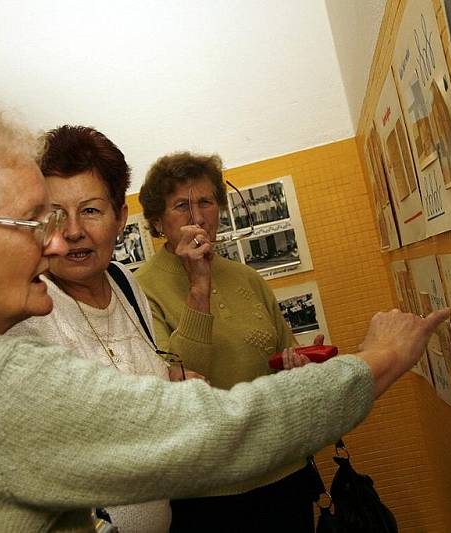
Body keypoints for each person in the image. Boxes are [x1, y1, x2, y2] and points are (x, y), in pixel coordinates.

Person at [0, 93, 448, 532]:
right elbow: (222, 429)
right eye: (31, 221)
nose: (56, 240)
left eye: (82, 214)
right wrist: (380, 359)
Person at [7, 125, 212, 532]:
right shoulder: (27, 310)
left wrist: (169, 383)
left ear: (120, 217)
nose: (72, 231)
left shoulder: (124, 282)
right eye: (54, 214)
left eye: (90, 210)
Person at [134, 152, 319, 531]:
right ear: (157, 221)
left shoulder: (245, 277)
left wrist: (296, 365)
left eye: (206, 202)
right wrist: (198, 286)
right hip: (207, 491)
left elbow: (285, 351)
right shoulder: (140, 289)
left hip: (282, 468)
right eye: (181, 206)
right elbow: (181, 383)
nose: (198, 217)